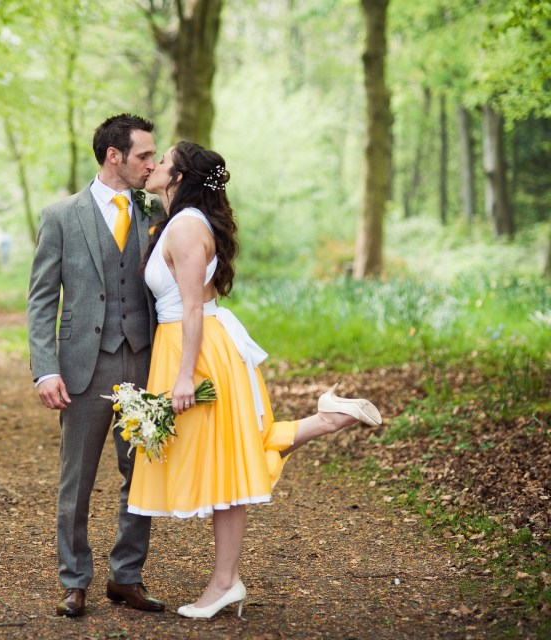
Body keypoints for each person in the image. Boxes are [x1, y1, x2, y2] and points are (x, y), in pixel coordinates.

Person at [128, 141, 383, 619]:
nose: (154, 165)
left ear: (179, 178)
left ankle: (224, 582)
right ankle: (330, 418)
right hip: (194, 346)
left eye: (162, 161)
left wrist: (184, 378)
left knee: (225, 464)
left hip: (197, 352)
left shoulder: (184, 228)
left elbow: (190, 309)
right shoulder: (178, 222)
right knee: (228, 458)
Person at [27, 114, 167, 617]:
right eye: (144, 155)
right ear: (114, 156)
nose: (152, 163)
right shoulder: (61, 216)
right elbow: (43, 298)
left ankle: (125, 577)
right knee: (77, 478)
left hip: (144, 360)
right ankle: (75, 579)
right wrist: (45, 368)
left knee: (143, 476)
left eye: (154, 155)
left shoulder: (156, 211)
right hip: (83, 365)